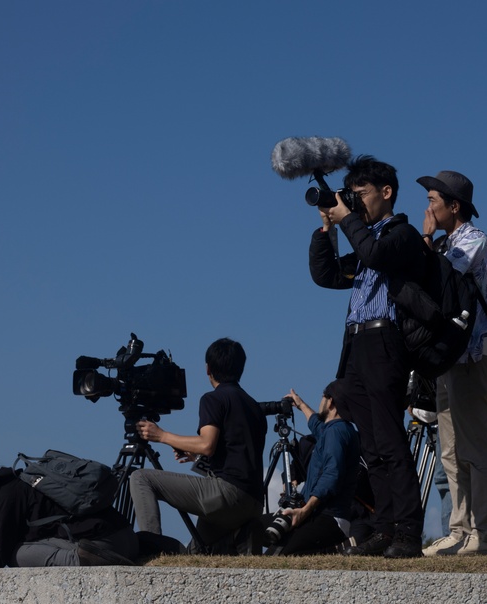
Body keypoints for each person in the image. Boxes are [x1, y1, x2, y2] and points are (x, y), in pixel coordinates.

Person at [308, 155, 428, 558]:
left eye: (361, 195)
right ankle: (385, 528)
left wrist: (348, 221)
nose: (355, 204)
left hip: (384, 343)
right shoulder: (363, 238)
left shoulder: (402, 234)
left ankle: (408, 531)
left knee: (391, 442)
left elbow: (377, 255)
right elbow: (325, 276)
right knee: (372, 447)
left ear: (387, 192)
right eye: (352, 197)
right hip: (357, 346)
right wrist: (328, 228)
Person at [416, 170, 487, 557]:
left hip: (472, 356)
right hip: (450, 359)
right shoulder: (449, 242)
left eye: (434, 200)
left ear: (454, 206)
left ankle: (485, 533)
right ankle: (459, 528)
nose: (428, 207)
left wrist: (427, 238)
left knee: (477, 449)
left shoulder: (472, 241)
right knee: (449, 450)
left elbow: (437, 280)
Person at [129, 338, 266, 554]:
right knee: (196, 553)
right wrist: (196, 458)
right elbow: (236, 454)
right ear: (241, 368)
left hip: (227, 496)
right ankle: (239, 535)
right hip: (254, 503)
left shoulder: (213, 399)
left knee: (141, 478)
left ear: (208, 368)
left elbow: (206, 444)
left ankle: (152, 550)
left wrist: (161, 435)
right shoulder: (254, 406)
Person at [0, 458, 138, 567]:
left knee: (15, 555)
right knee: (15, 548)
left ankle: (85, 563)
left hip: (106, 547)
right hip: (124, 538)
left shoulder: (8, 495)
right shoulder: (13, 486)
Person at [263, 383, 361, 555]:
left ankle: (332, 550)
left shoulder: (335, 433)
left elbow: (331, 475)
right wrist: (300, 405)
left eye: (323, 396)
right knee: (261, 531)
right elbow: (316, 424)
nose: (320, 401)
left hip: (329, 517)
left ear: (330, 402)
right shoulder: (337, 429)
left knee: (278, 554)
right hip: (325, 515)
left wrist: (304, 511)